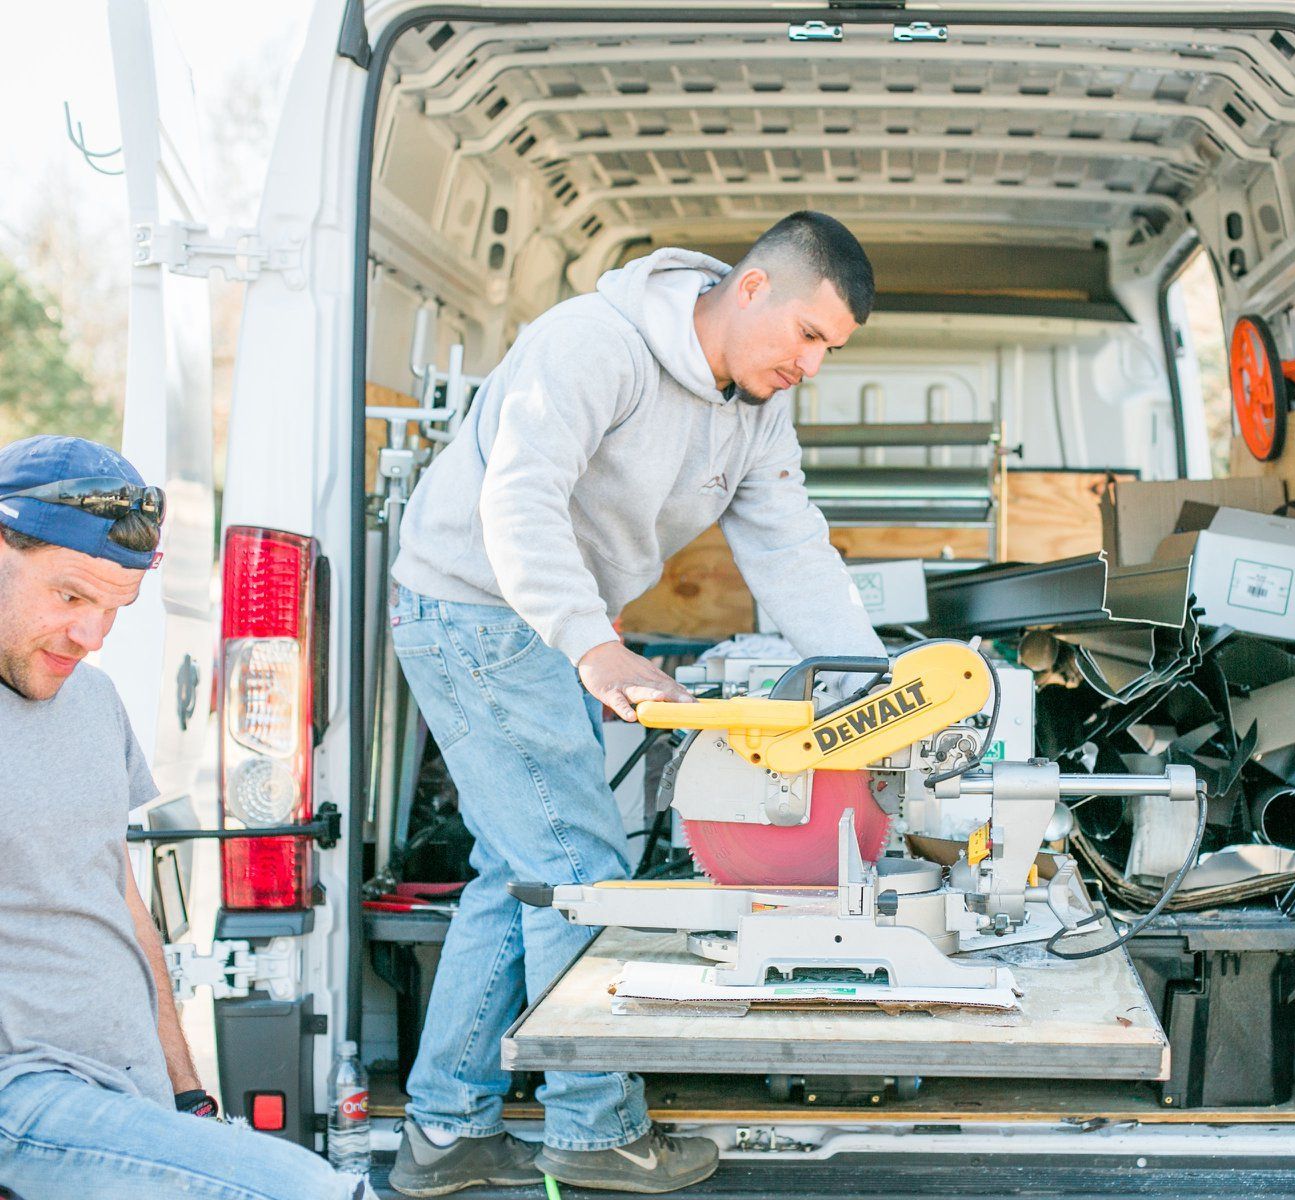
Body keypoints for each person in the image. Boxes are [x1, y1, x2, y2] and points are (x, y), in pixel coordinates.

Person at [384, 211, 884, 1195]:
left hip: (540, 624)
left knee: (518, 869)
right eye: (810, 335)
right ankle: (592, 1132)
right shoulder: (590, 344)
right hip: (473, 608)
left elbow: (789, 543)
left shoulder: (756, 406)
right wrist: (595, 643)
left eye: (831, 348)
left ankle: (445, 1132)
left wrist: (870, 685)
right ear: (751, 290)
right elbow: (516, 499)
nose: (814, 364)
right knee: (579, 865)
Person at [0, 435, 364, 1200]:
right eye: (70, 597)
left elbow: (122, 903)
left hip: (123, 1094)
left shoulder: (90, 700)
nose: (91, 637)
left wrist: (187, 1093)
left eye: (113, 610)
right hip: (24, 1098)